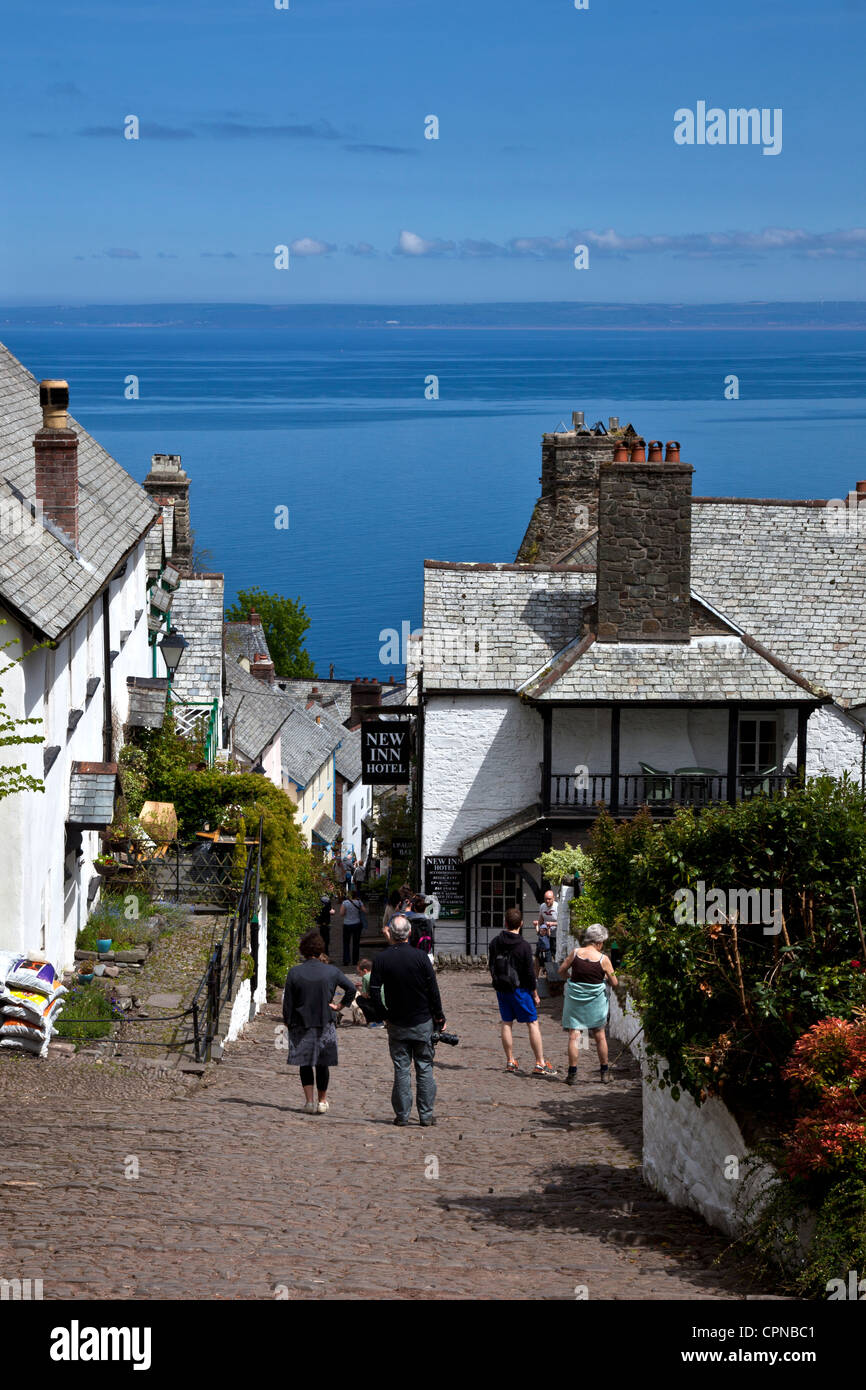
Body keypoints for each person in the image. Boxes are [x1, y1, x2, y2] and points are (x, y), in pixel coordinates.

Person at [369, 915, 446, 1127]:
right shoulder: (421, 958)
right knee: (425, 1068)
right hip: (422, 1020)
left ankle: (402, 1116)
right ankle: (426, 1115)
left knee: (402, 1069)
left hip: (397, 1022)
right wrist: (439, 1016)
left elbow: (374, 991)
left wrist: (383, 1013)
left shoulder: (382, 959)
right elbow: (433, 990)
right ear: (409, 933)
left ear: (391, 934)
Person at [282, 931, 356, 1113]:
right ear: (320, 949)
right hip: (325, 1021)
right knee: (323, 1063)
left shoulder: (295, 972)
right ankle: (322, 1101)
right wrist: (340, 1006)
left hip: (301, 1022)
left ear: (303, 950)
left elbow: (288, 1001)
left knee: (305, 1063)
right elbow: (352, 988)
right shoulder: (332, 971)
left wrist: (288, 1022)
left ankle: (309, 1102)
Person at [488, 907, 557, 1078]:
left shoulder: (495, 942)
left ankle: (510, 1060)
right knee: (532, 1023)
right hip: (521, 990)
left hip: (502, 988)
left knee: (506, 1022)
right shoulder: (524, 946)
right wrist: (535, 993)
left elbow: (491, 965)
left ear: (505, 923)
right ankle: (540, 1062)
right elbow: (529, 973)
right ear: (521, 924)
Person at [558, 923, 619, 1085]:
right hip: (595, 1002)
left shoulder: (575, 953)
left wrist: (570, 980)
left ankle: (572, 1074)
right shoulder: (603, 960)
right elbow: (614, 982)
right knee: (600, 1036)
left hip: (575, 1000)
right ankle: (604, 1072)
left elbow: (561, 971)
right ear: (599, 942)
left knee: (574, 1035)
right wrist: (604, 978)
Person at [352, 956, 384, 1027]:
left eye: (359, 972)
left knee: (359, 999)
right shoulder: (378, 973)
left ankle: (373, 1021)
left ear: (365, 971)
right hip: (386, 1002)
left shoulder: (366, 977)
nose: (358, 974)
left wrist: (359, 989)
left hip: (378, 1005)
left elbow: (365, 995)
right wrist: (362, 985)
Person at [340, 889, 367, 967]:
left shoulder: (345, 903)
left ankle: (346, 960)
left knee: (346, 943)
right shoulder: (359, 902)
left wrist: (346, 912)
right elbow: (365, 911)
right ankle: (355, 960)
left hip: (347, 924)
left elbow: (341, 914)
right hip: (357, 924)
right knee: (356, 943)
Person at [533, 889, 559, 969]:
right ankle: (537, 978)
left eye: (549, 899)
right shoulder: (542, 906)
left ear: (553, 898)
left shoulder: (558, 907)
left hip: (554, 936)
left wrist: (552, 924)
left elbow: (561, 923)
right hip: (544, 936)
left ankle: (556, 976)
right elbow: (541, 919)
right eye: (545, 899)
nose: (547, 901)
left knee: (554, 955)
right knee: (538, 956)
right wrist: (537, 924)